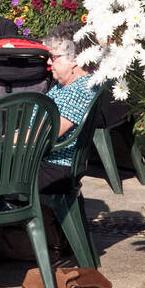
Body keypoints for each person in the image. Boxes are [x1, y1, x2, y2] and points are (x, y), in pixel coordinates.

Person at [38, 29, 101, 192]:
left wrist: (3, 140)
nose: (49, 63)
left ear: (74, 59)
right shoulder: (65, 86)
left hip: (53, 168)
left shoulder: (79, 91)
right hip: (43, 162)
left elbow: (46, 133)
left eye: (53, 57)